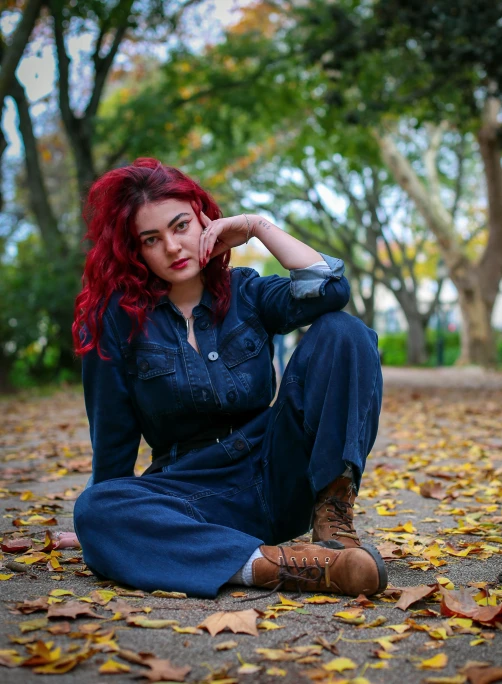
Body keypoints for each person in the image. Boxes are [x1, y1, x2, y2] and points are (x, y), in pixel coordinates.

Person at [71, 158, 386, 599]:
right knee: (94, 511)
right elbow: (112, 440)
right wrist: (105, 520)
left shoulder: (247, 292)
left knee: (344, 330)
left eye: (181, 226)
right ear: (136, 251)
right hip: (194, 493)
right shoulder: (119, 321)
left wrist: (257, 226)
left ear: (204, 219)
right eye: (151, 239)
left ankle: (333, 521)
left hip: (278, 470)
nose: (173, 247)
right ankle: (284, 568)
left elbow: (330, 288)